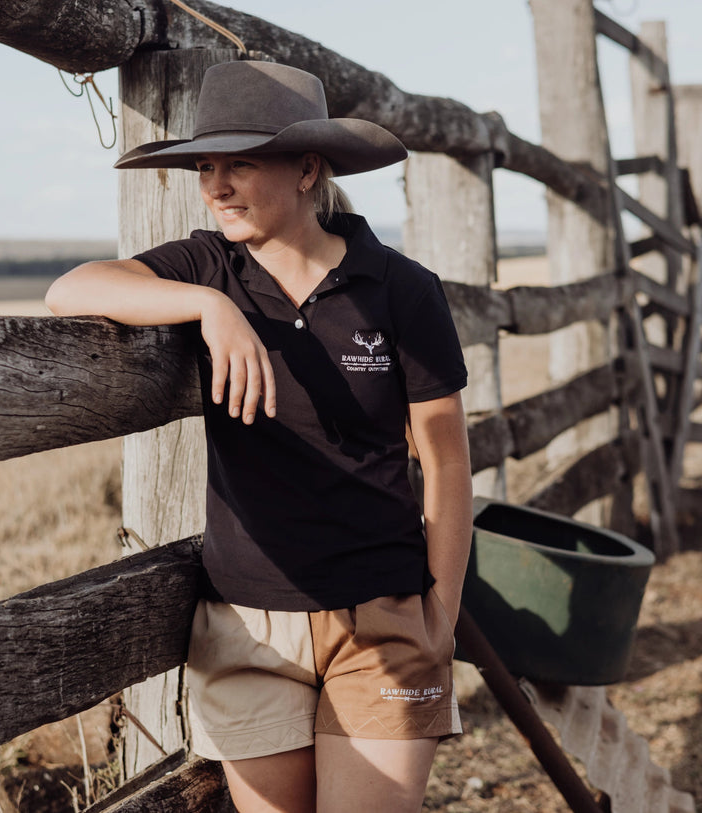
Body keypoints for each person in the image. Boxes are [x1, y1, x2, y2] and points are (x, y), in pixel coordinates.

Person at [45, 60, 473, 813]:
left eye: (239, 164)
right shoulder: (208, 266)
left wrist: (439, 609)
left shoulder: (400, 288)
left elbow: (443, 460)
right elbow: (70, 288)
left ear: (308, 168)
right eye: (206, 167)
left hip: (381, 612)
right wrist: (210, 308)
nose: (215, 186)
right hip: (245, 627)